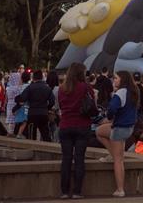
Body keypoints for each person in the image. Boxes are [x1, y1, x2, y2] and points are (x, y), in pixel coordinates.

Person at [96, 71, 138, 198]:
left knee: (118, 161)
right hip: (128, 127)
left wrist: (109, 117)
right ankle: (112, 154)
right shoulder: (133, 91)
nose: (114, 80)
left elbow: (112, 108)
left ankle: (120, 189)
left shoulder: (120, 93)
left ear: (122, 80)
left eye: (116, 78)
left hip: (119, 128)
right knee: (100, 131)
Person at [58, 62, 94, 200]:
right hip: (82, 125)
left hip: (65, 125)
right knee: (79, 159)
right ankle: (77, 191)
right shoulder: (86, 87)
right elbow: (92, 105)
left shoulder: (62, 88)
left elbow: (61, 105)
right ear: (81, 73)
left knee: (66, 159)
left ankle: (64, 191)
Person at [16, 69, 55, 142]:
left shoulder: (30, 87)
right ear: (42, 77)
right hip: (43, 113)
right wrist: (47, 108)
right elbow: (52, 101)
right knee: (45, 134)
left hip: (32, 113)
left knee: (31, 134)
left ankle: (32, 147)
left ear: (33, 78)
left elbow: (23, 98)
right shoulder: (47, 88)